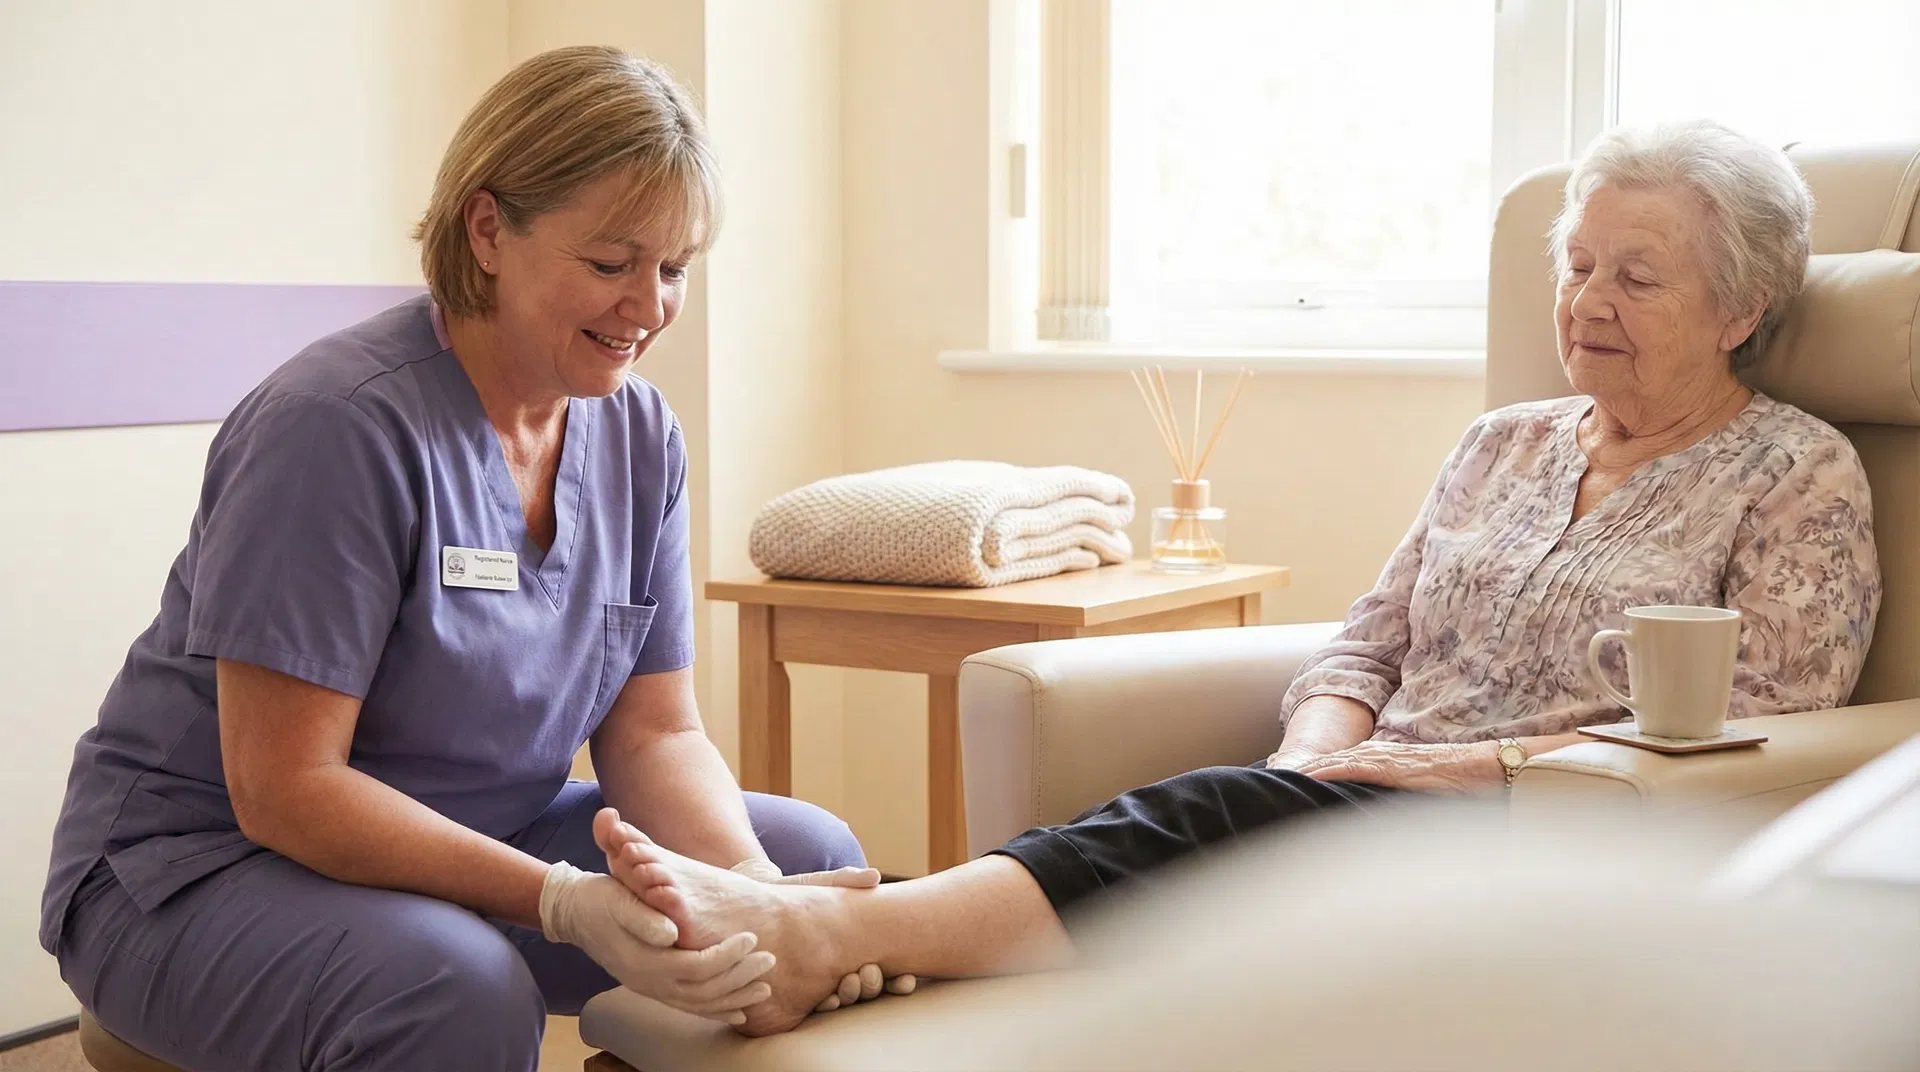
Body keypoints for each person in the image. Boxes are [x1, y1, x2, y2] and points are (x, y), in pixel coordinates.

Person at [585, 120, 1884, 1037]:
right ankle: (845, 947)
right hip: (1362, 788)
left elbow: (1753, 734)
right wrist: (1320, 754)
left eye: (1639, 276)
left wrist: (1428, 773)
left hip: (1551, 832)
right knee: (1221, 820)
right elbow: (1364, 644)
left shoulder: (1796, 471)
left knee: (1197, 823)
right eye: (1578, 265)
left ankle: (836, 936)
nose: (1590, 298)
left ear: (1743, 304)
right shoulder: (1505, 443)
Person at [42, 46, 888, 1072]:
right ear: (488, 229)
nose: (649, 307)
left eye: (674, 270)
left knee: (814, 869)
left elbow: (656, 732)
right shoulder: (338, 426)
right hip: (199, 867)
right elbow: (285, 789)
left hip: (485, 833)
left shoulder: (638, 436)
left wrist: (754, 893)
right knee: (456, 991)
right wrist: (563, 902)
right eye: (612, 263)